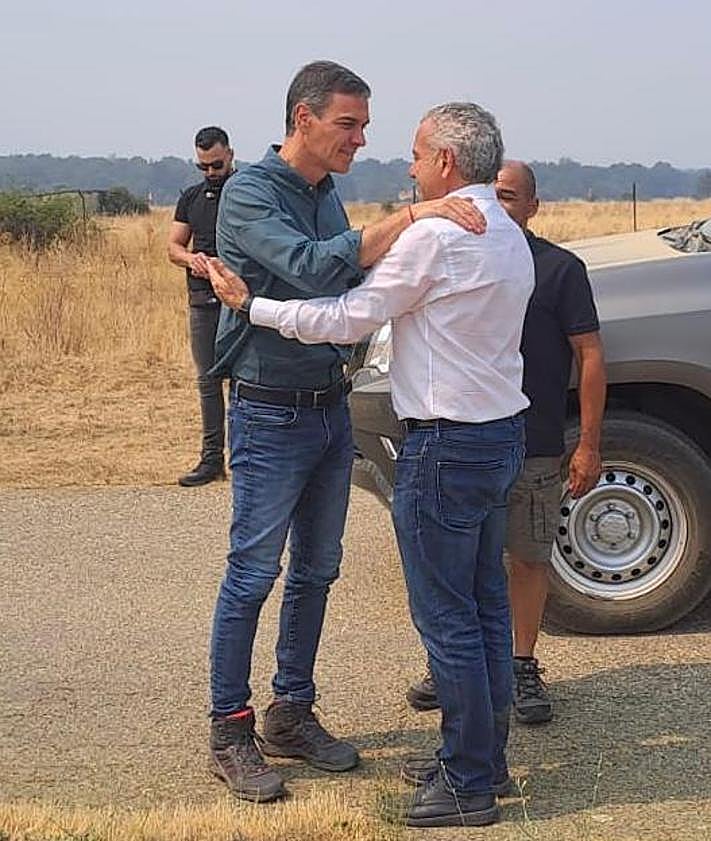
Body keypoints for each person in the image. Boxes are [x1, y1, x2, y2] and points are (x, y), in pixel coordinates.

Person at [208, 101, 534, 828]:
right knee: (481, 605)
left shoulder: (437, 234)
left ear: (447, 162)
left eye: (417, 154)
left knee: (446, 619)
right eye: (353, 125)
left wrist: (249, 304)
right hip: (496, 435)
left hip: (445, 445)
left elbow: (347, 314)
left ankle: (467, 781)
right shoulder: (507, 230)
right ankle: (482, 756)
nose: (404, 162)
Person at [405, 160, 606, 725]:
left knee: (528, 557)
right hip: (462, 438)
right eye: (492, 194)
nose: (500, 205)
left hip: (535, 443)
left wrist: (589, 442)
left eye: (512, 197)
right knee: (459, 564)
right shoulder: (450, 256)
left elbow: (590, 354)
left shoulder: (560, 269)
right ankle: (454, 665)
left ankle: (521, 662)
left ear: (535, 207)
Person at [167, 126, 234, 486]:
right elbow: (173, 246)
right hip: (202, 300)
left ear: (231, 155)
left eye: (216, 164)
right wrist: (190, 259)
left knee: (242, 380)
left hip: (239, 300)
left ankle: (246, 458)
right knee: (208, 381)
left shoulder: (246, 192)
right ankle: (211, 460)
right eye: (203, 166)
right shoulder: (191, 197)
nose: (210, 172)